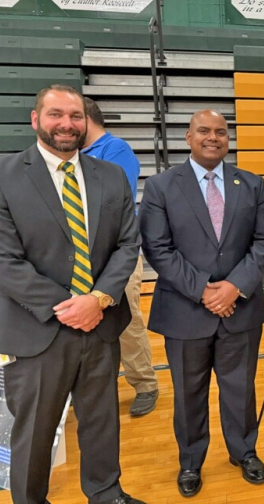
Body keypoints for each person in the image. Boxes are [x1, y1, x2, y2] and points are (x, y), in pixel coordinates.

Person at [0, 85, 144, 504]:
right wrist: (70, 306)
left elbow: (128, 244)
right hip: (34, 330)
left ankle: (107, 493)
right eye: (56, 114)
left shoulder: (109, 176)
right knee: (34, 431)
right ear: (36, 120)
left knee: (101, 421)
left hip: (101, 324)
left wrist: (100, 299)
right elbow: (0, 261)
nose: (66, 124)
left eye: (75, 116)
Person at [139, 109, 264, 497]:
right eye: (204, 130)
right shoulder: (161, 187)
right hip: (185, 312)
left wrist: (234, 287)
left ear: (227, 138)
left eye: (220, 131)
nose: (212, 137)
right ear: (188, 136)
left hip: (241, 309)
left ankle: (244, 451)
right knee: (188, 394)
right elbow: (157, 249)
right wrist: (205, 291)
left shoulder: (251, 184)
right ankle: (191, 461)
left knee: (240, 389)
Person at [82, 97, 160, 417]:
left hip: (117, 255)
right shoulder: (72, 155)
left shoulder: (115, 149)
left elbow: (111, 201)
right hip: (81, 257)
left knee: (127, 321)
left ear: (86, 119)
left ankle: (145, 383)